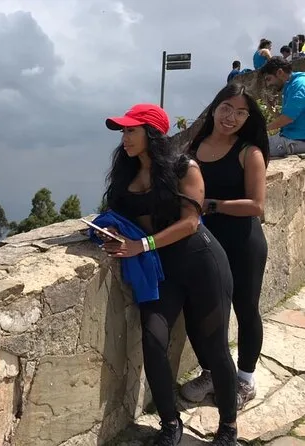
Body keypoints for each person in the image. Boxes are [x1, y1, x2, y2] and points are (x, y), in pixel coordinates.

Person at [97, 104, 238, 445]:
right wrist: (111, 230)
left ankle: (228, 429)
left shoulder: (183, 168)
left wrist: (141, 245)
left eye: (131, 130)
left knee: (215, 347)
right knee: (153, 341)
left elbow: (190, 223)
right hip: (163, 272)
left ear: (151, 133)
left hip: (203, 264)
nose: (125, 137)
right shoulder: (126, 174)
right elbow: (120, 214)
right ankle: (170, 424)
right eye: (123, 131)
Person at [182, 83, 269, 411]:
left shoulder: (249, 152)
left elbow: (256, 205)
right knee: (200, 308)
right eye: (226, 108)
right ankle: (212, 372)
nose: (231, 117)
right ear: (215, 108)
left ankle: (245, 379)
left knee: (246, 309)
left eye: (240, 112)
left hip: (243, 242)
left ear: (248, 118)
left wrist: (212, 205)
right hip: (205, 242)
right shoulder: (196, 146)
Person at [260, 56, 305, 157]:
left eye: (269, 79)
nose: (268, 84)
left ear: (280, 72)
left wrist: (262, 129)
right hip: (292, 136)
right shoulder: (292, 84)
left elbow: (288, 118)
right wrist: (272, 109)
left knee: (252, 149)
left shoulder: (299, 85)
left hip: (297, 140)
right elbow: (288, 119)